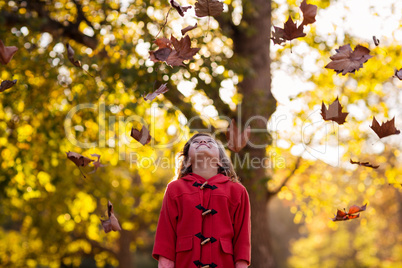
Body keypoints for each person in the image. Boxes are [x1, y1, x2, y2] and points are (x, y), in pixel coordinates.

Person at [152, 133, 251, 268]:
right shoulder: (174, 189)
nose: (203, 141)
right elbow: (166, 240)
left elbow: (242, 241)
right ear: (187, 161)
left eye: (210, 141)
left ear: (221, 160)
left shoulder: (237, 191)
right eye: (196, 142)